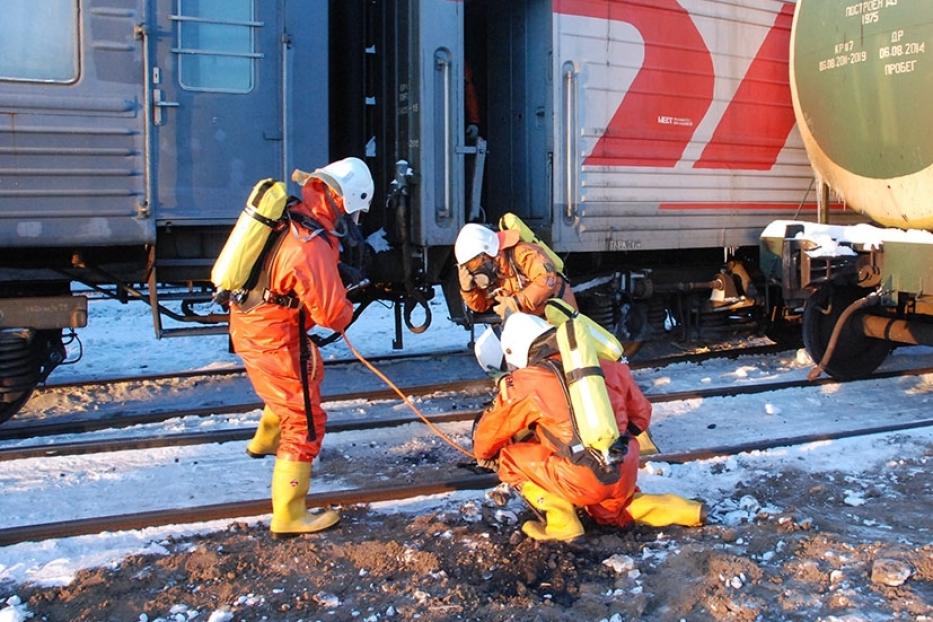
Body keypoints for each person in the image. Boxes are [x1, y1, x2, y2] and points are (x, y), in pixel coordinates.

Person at [229, 157, 374, 538]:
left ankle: (265, 439)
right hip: (272, 337)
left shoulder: (293, 213)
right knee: (306, 422)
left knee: (308, 372)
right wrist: (347, 297)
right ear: (343, 200)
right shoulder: (311, 244)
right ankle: (290, 514)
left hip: (254, 325)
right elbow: (331, 314)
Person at [473, 313, 705, 542]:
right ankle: (686, 510)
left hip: (579, 479)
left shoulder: (527, 381)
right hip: (623, 469)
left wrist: (485, 456)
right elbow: (641, 415)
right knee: (615, 513)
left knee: (509, 459)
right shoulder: (605, 364)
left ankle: (562, 522)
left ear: (515, 350)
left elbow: (493, 429)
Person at [455, 223, 577, 319]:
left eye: (475, 263)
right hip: (530, 322)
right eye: (469, 267)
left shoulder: (522, 253)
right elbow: (481, 306)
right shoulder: (498, 271)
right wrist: (468, 290)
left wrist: (516, 303)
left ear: (488, 252)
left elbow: (547, 279)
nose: (475, 271)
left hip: (557, 319)